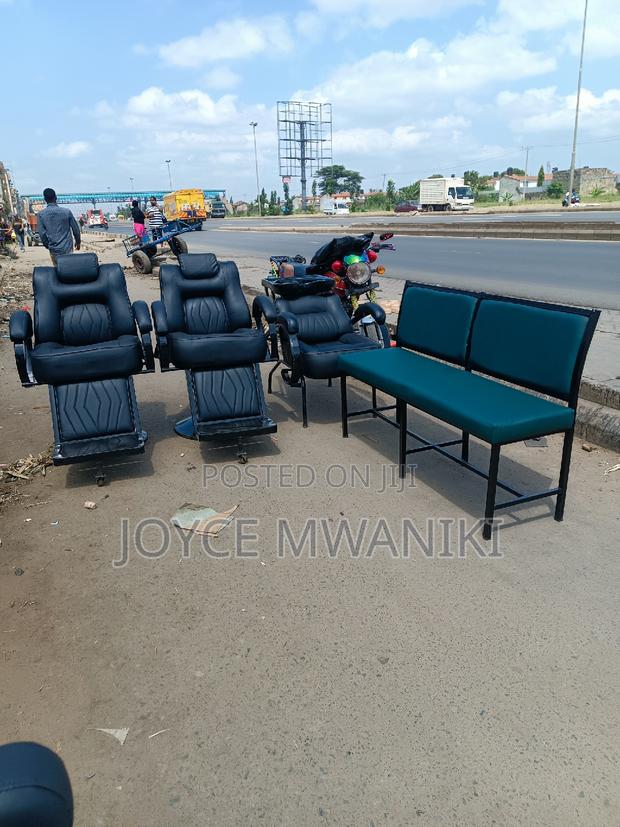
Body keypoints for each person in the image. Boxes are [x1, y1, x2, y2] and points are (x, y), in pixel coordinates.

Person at [38, 188, 81, 265]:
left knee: (58, 270)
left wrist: (48, 245)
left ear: (45, 199)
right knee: (69, 268)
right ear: (56, 197)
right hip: (67, 248)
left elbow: (42, 233)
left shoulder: (41, 214)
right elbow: (76, 229)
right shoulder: (67, 212)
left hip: (54, 249)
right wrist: (78, 242)